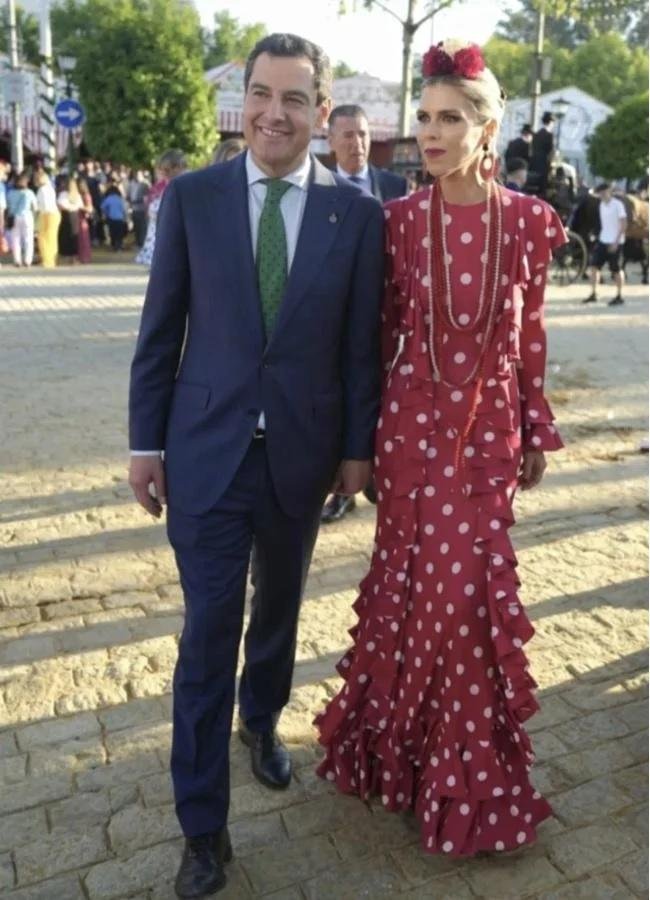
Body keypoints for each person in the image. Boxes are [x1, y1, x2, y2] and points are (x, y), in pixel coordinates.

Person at [128, 32, 384, 898]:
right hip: (204, 455)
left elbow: (358, 349)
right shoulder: (192, 199)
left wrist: (356, 450)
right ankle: (203, 831)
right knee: (207, 636)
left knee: (278, 610)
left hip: (303, 460)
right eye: (264, 97)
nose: (278, 114)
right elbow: (160, 331)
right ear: (242, 103)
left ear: (320, 108)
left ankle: (262, 720)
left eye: (297, 98)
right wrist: (144, 443)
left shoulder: (358, 216)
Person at [315, 37, 566, 858]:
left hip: (487, 433)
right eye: (422, 116)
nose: (429, 131)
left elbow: (531, 337)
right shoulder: (395, 223)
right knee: (411, 588)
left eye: (449, 118)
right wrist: (356, 441)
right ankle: (400, 759)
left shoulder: (528, 223)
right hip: (408, 432)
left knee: (463, 602)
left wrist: (534, 422)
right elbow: (375, 337)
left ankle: (467, 783)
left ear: (486, 128)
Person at [321, 102, 408, 524]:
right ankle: (341, 487)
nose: (357, 143)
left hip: (388, 318)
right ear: (331, 139)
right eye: (348, 135)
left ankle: (381, 476)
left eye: (363, 134)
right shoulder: (318, 189)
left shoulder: (394, 185)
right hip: (337, 319)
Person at [135, 149, 186, 267]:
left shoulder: (181, 185)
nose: (164, 174)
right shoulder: (163, 186)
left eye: (167, 170)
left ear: (178, 168)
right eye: (162, 170)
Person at [583, 182, 627, 306]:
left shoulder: (618, 205)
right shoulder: (601, 205)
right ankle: (594, 293)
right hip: (603, 239)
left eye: (604, 192)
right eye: (600, 193)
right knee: (594, 266)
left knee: (616, 269)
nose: (602, 195)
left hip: (615, 241)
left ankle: (619, 295)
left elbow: (623, 224)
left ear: (609, 192)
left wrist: (616, 242)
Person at [6, 172, 37, 267]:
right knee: (28, 239)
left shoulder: (10, 193)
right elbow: (35, 207)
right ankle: (27, 260)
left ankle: (17, 260)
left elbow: (8, 206)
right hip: (27, 216)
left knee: (15, 239)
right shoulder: (30, 193)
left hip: (14, 217)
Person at [34, 169, 60, 267]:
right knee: (52, 238)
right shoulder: (50, 188)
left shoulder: (43, 189)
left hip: (47, 214)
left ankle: (47, 260)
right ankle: (51, 259)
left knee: (44, 238)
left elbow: (44, 205)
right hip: (54, 214)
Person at [57, 176, 83, 262]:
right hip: (75, 215)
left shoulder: (63, 194)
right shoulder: (77, 195)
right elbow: (80, 206)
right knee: (74, 235)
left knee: (65, 235)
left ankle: (65, 254)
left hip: (66, 215)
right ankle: (74, 256)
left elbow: (60, 205)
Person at [530, 111, 555, 198]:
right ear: (551, 122)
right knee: (543, 189)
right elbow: (550, 152)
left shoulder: (536, 134)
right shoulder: (549, 135)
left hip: (533, 164)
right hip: (544, 165)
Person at [100, 182, 128, 251]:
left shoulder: (108, 199)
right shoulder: (120, 199)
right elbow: (124, 209)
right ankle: (119, 246)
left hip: (111, 218)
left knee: (113, 233)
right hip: (120, 218)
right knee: (119, 233)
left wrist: (106, 213)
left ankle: (114, 246)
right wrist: (126, 218)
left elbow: (102, 207)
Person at [127, 169, 150, 248]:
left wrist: (136, 201)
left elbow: (147, 198)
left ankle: (142, 243)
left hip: (142, 209)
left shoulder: (145, 184)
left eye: (139, 175)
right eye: (136, 175)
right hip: (134, 209)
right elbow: (128, 195)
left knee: (142, 227)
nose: (137, 177)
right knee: (136, 227)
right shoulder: (131, 184)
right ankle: (138, 242)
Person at [77, 178, 95, 263]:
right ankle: (81, 257)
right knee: (80, 239)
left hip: (82, 219)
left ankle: (85, 257)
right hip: (78, 218)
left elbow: (90, 209)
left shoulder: (86, 195)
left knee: (84, 239)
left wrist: (80, 207)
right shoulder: (79, 195)